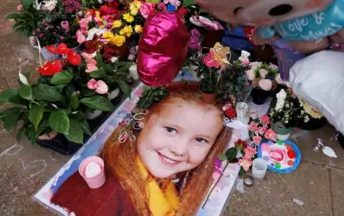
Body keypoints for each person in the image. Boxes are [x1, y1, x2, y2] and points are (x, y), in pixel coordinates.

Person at [51, 83, 232, 216]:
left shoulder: (165, 180)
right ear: (143, 118)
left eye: (200, 140)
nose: (180, 150)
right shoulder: (103, 197)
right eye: (171, 130)